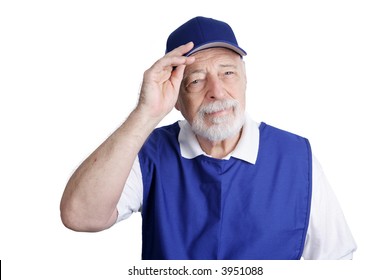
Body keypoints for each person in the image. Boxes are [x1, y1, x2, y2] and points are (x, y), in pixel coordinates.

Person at [60, 16, 357, 260]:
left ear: (244, 80)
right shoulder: (148, 153)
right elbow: (80, 215)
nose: (216, 91)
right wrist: (145, 113)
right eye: (197, 80)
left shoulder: (295, 157)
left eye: (228, 73)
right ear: (175, 97)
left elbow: (337, 262)